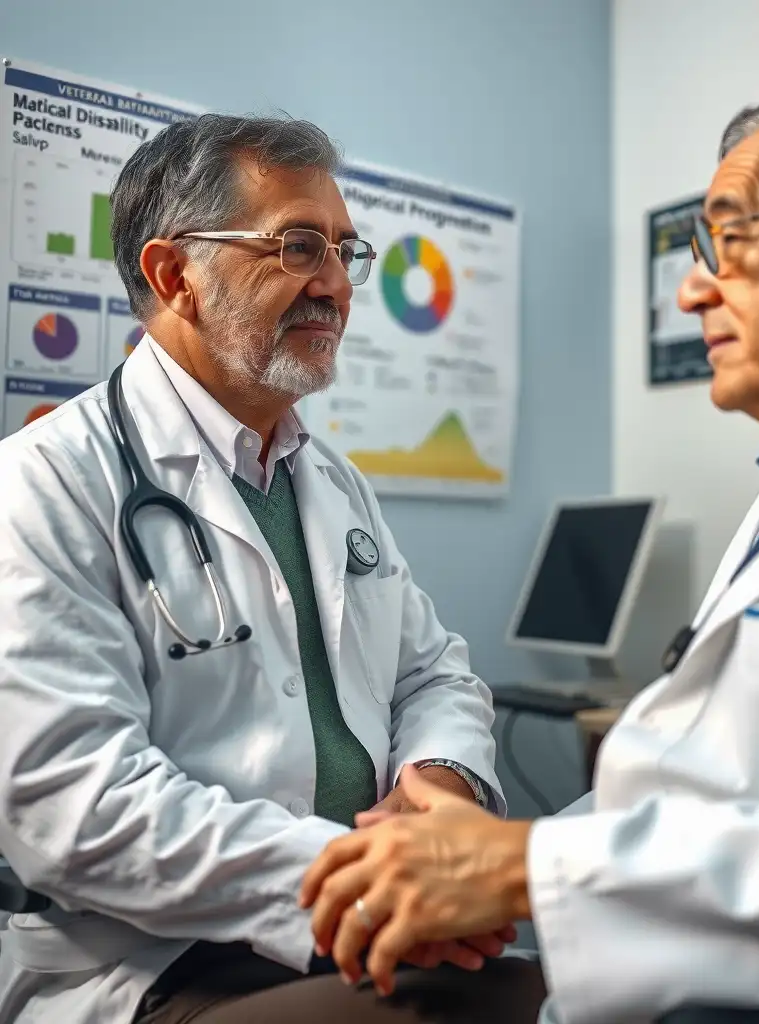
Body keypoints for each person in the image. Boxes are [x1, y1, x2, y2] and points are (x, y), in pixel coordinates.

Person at [299, 70, 759, 1023]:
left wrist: (520, 870)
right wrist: (474, 873)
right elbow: (704, 791)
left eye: (726, 240)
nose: (689, 290)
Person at [0, 114, 532, 1024]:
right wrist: (365, 886)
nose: (335, 284)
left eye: (344, 250)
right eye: (296, 246)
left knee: (613, 991)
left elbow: (432, 671)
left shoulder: (330, 481)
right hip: (151, 961)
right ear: (175, 277)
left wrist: (437, 784)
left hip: (358, 930)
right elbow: (79, 808)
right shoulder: (45, 484)